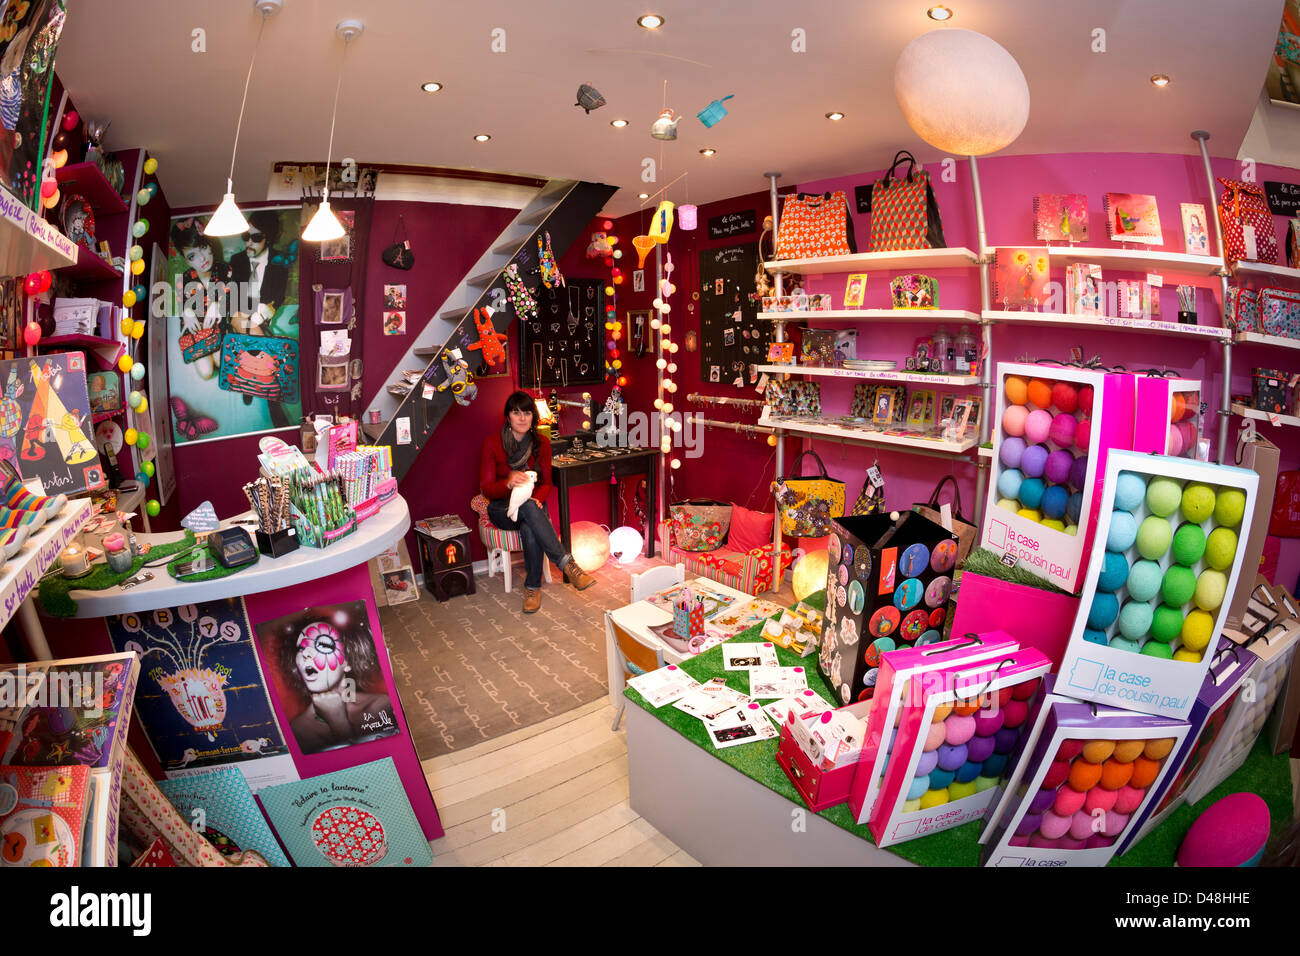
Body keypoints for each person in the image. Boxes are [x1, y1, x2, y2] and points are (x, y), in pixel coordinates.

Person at [480, 390, 595, 613]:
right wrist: (508, 483)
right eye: (516, 413)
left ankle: (532, 588)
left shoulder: (541, 442)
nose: (522, 418)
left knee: (530, 523)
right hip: (502, 509)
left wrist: (536, 499)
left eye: (527, 413)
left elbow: (546, 483)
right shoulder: (492, 443)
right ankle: (567, 565)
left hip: (532, 506)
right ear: (508, 417)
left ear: (533, 416)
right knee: (530, 512)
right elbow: (486, 489)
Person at [275, 617, 397, 754]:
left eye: (323, 645)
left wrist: (339, 722)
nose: (305, 653)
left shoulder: (382, 706)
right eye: (302, 647)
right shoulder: (298, 731)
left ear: (348, 661)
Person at [229, 210, 289, 335]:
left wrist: (265, 313)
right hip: (239, 318)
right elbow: (233, 297)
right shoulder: (237, 260)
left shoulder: (279, 261)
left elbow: (279, 297)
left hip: (263, 321)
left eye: (256, 238)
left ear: (268, 238)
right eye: (246, 236)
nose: (249, 243)